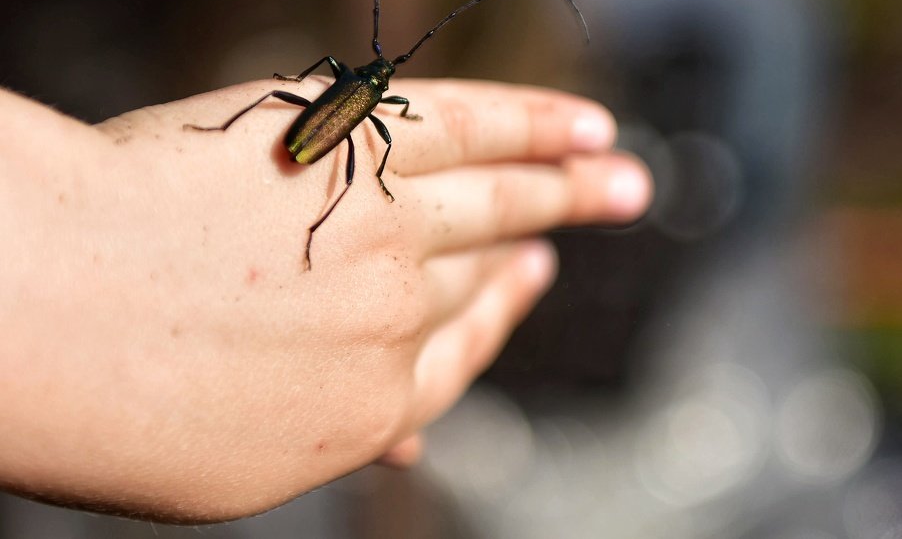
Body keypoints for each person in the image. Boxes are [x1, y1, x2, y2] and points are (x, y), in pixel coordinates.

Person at [0, 76, 651, 522]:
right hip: (306, 139)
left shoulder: (350, 90)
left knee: (322, 130)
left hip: (308, 133)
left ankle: (309, 217)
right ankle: (308, 219)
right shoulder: (371, 100)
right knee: (357, 155)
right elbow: (380, 130)